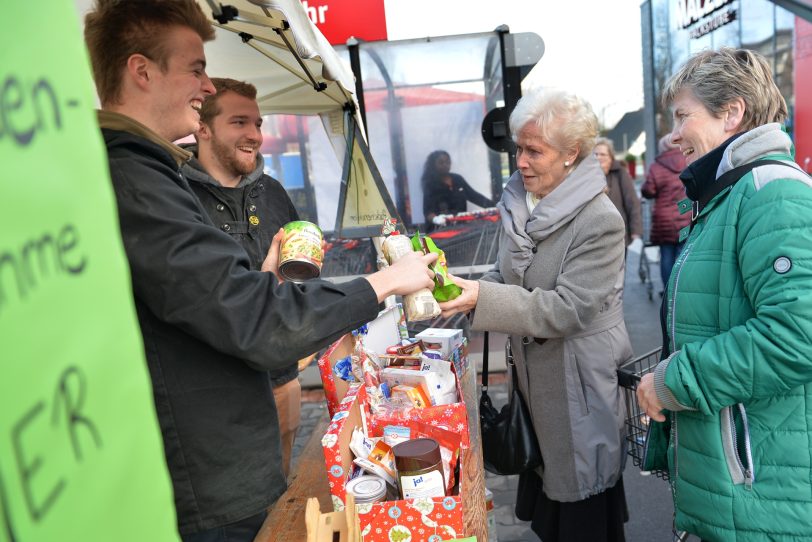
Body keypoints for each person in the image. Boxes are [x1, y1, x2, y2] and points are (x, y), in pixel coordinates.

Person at [83, 1, 437, 540]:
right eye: (195, 68)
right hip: (209, 479)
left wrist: (265, 284)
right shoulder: (136, 180)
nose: (205, 87)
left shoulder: (151, 172)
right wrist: (387, 281)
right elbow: (256, 323)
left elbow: (214, 304)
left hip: (223, 455)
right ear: (141, 71)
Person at [439, 89, 632, 542]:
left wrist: (478, 298)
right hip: (537, 379)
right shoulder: (523, 201)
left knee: (583, 502)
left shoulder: (599, 219)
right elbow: (506, 273)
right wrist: (457, 286)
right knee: (552, 499)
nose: (520, 162)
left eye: (534, 151)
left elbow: (568, 309)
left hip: (579, 383)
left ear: (572, 155)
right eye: (518, 149)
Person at [636, 48, 812, 541]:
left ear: (731, 112)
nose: (673, 134)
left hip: (765, 497)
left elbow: (799, 336)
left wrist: (676, 379)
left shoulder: (773, 193)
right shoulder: (732, 193)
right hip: (743, 488)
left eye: (682, 116)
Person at [181, 77, 303, 478]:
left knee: (279, 492)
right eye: (239, 123)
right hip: (213, 394)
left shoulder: (272, 192)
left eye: (258, 124)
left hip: (280, 379)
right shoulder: (177, 196)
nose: (255, 136)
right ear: (202, 127)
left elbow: (299, 281)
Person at [640, 134, 690, 293]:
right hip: (686, 216)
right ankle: (680, 289)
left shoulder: (656, 166)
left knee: (666, 255)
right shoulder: (688, 161)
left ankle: (668, 291)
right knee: (682, 252)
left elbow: (649, 190)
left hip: (664, 220)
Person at [421, 150, 494, 229]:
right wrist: (436, 219)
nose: (445, 165)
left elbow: (474, 196)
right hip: (440, 229)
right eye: (441, 163)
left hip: (461, 227)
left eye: (448, 162)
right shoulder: (430, 184)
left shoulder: (457, 179)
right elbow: (428, 212)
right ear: (434, 165)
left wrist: (495, 206)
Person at [594, 137, 642, 248]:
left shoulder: (620, 173)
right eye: (595, 154)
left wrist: (636, 230)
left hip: (618, 231)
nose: (598, 157)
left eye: (602, 154)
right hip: (595, 233)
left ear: (610, 157)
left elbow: (632, 201)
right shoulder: (588, 176)